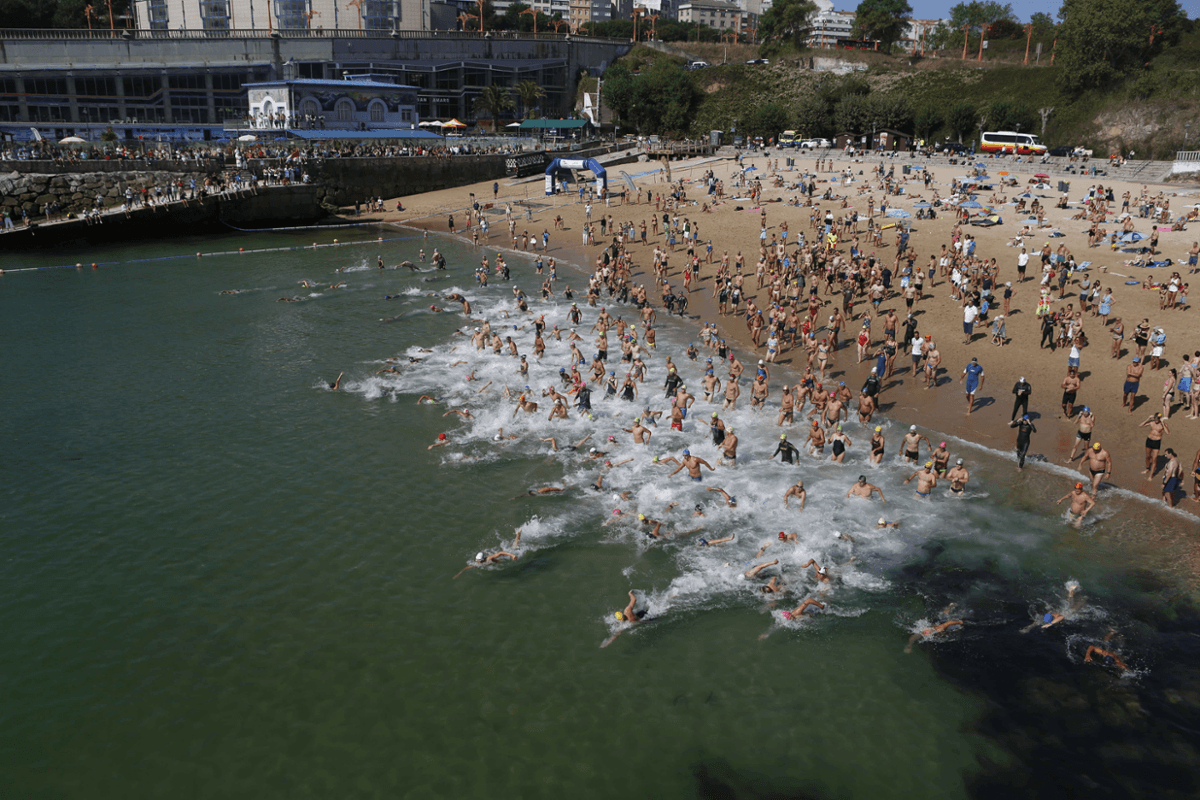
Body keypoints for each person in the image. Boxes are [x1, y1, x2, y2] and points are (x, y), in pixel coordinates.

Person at [1139, 412, 1169, 478]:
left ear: (1160, 418)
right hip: (1149, 440)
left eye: (1157, 418)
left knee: (1154, 459)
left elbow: (1167, 432)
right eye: (1155, 418)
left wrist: (1163, 423)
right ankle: (1147, 469)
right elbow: (1140, 425)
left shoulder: (1162, 424)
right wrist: (1148, 419)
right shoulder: (1152, 422)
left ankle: (1151, 474)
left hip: (1157, 442)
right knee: (1148, 456)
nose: (1156, 420)